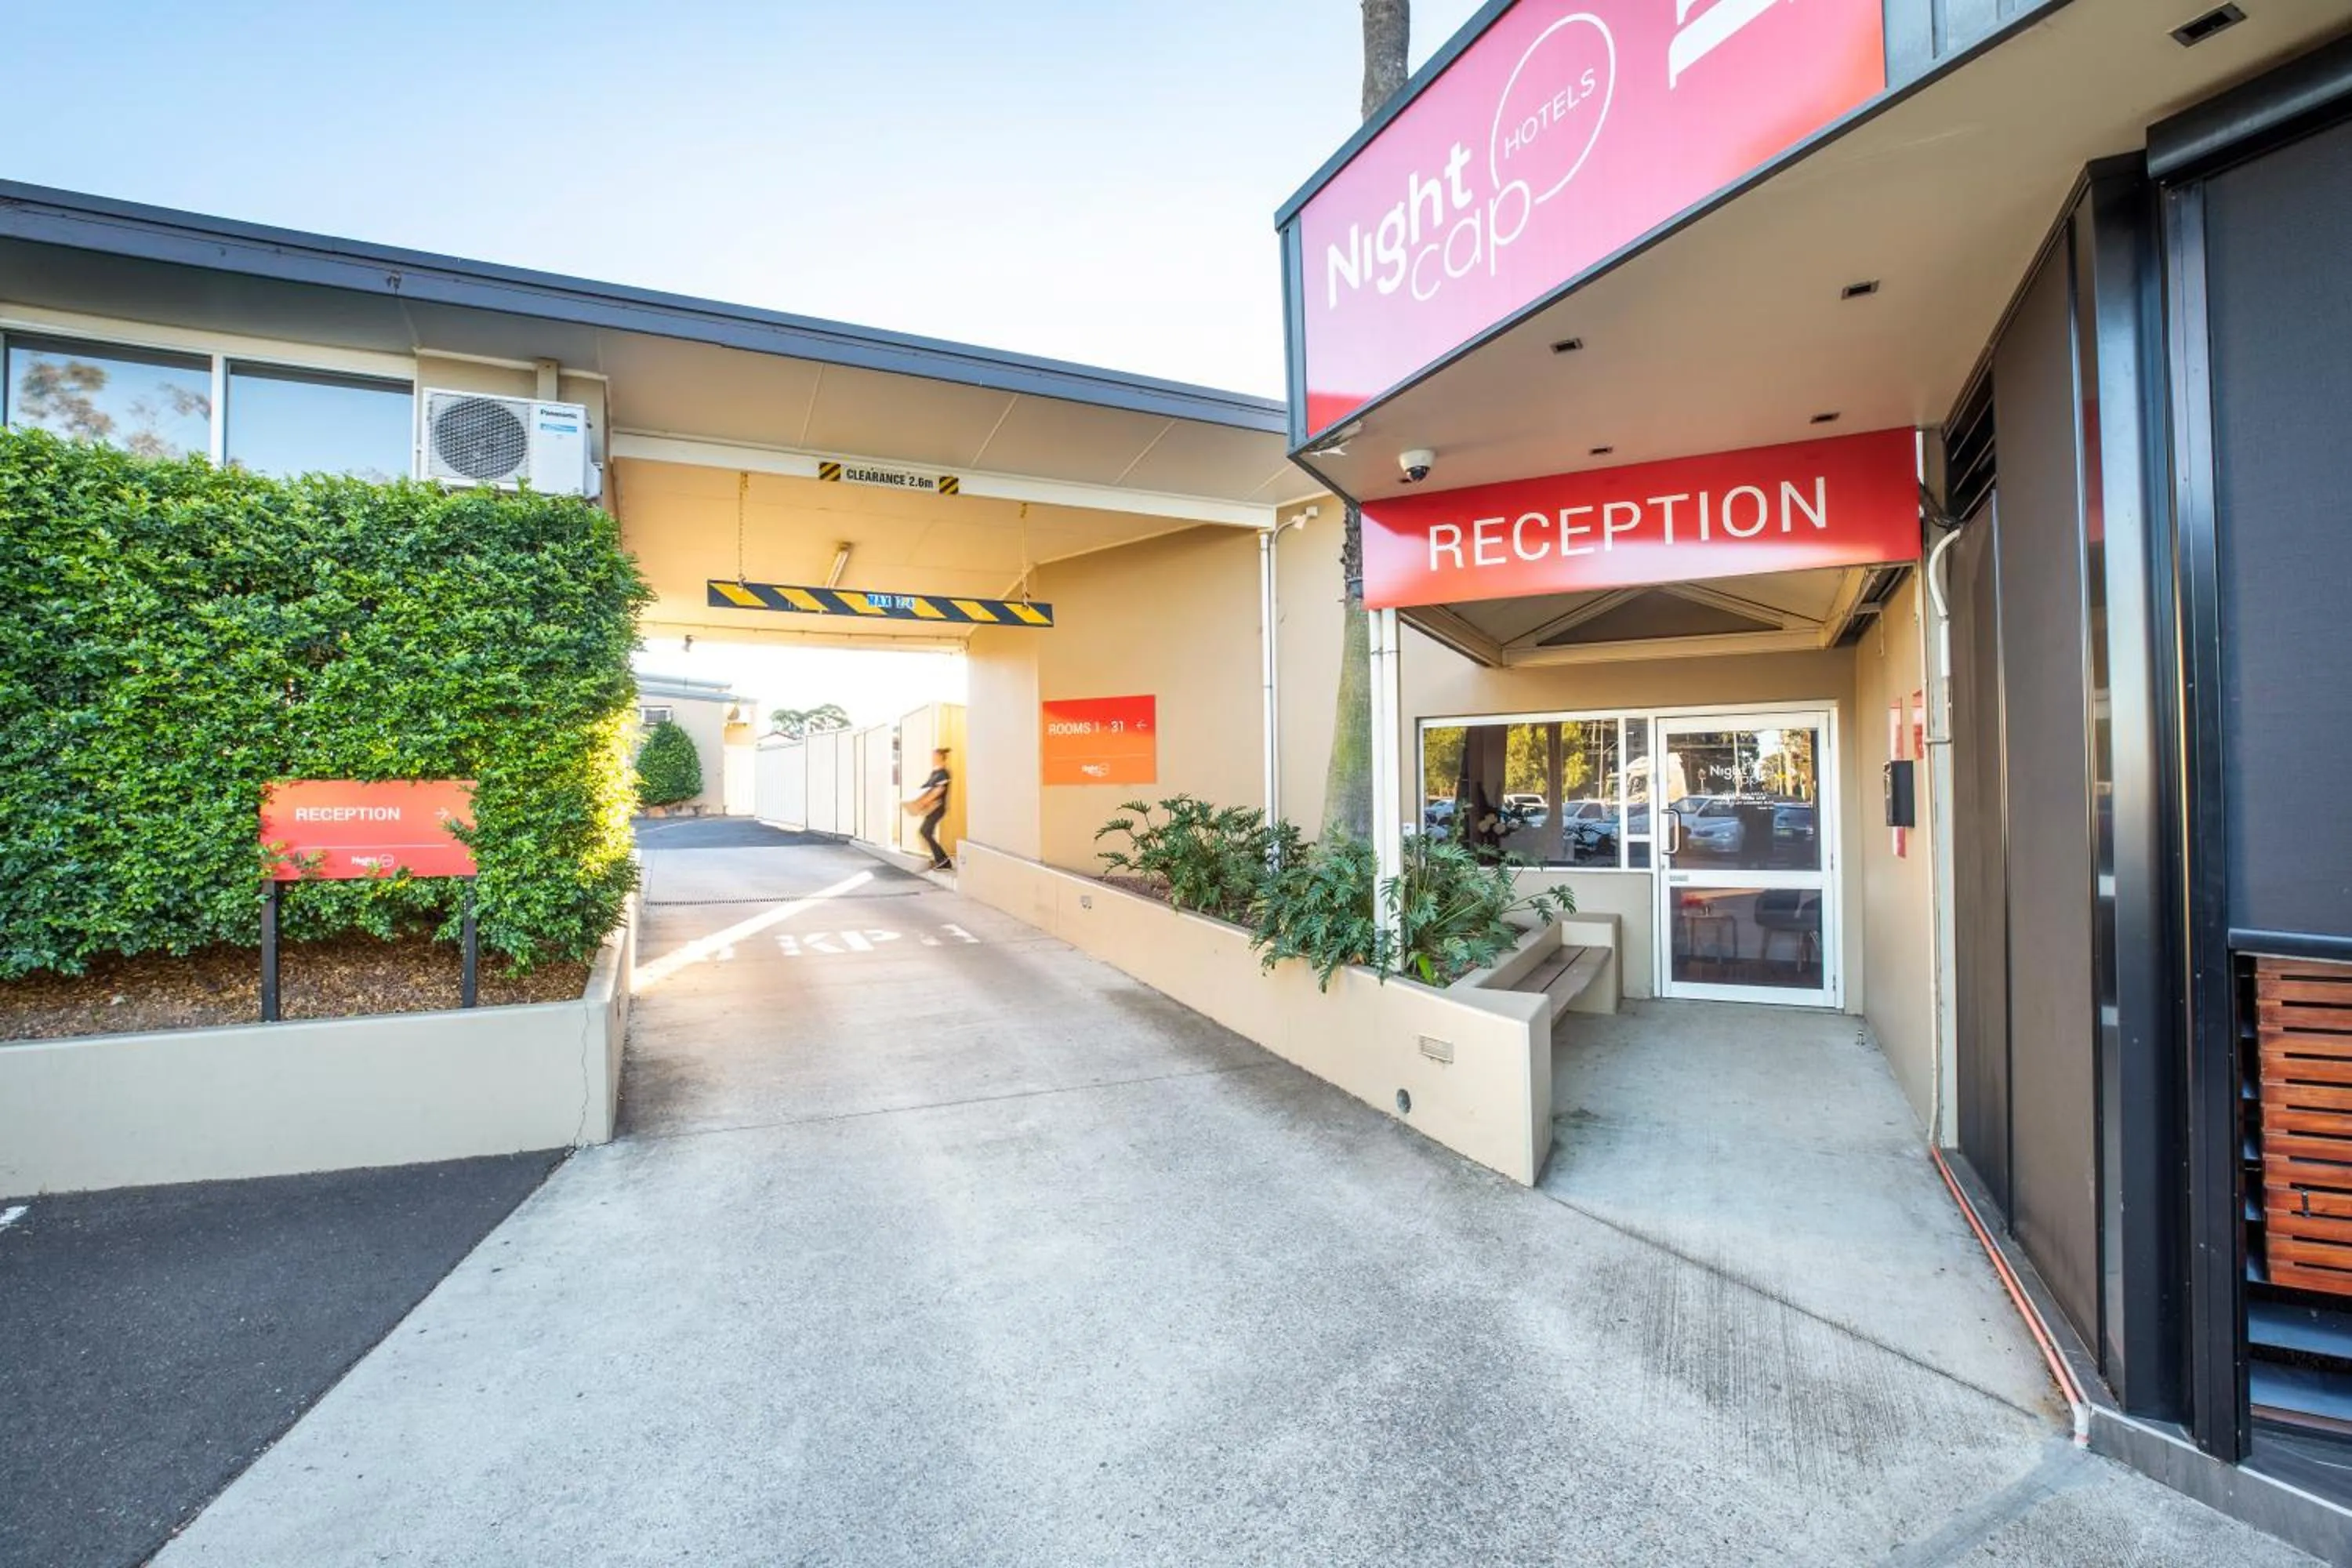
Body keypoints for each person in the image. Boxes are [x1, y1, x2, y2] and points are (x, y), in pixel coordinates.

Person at [905, 747, 953, 871]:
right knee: (925, 831)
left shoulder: (944, 773)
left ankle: (944, 861)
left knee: (925, 831)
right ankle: (942, 860)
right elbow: (926, 788)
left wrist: (922, 803)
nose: (932, 759)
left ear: (940, 757)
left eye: (934, 756)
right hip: (932, 809)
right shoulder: (935, 773)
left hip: (938, 808)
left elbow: (938, 791)